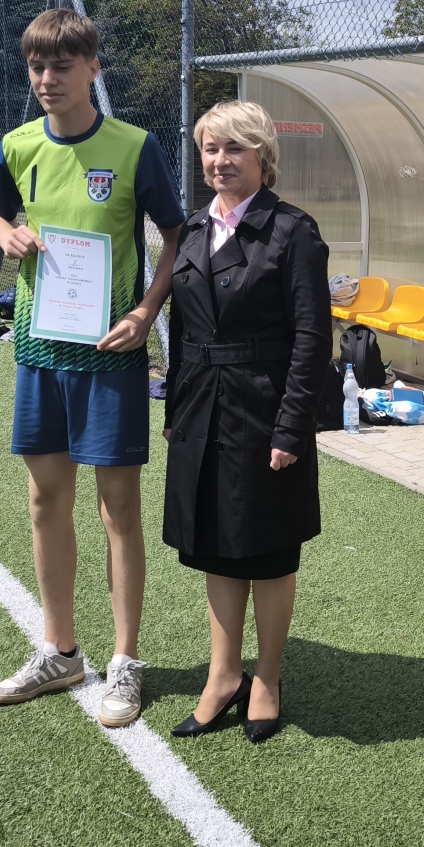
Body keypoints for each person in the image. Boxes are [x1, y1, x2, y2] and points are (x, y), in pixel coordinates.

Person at [0, 8, 185, 727]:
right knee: (45, 502)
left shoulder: (134, 147)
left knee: (117, 510)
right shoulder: (17, 144)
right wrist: (5, 232)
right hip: (40, 351)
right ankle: (60, 650)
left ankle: (126, 660)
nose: (47, 79)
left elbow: (176, 235)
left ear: (93, 68)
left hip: (109, 358)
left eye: (62, 66)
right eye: (37, 66)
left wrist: (147, 313)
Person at [163, 100, 328, 744]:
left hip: (264, 409)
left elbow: (313, 339)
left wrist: (291, 428)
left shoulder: (293, 231)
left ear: (264, 156)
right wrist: (176, 410)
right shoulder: (192, 229)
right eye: (211, 148)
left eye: (235, 148)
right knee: (217, 547)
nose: (220, 161)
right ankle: (223, 675)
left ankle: (268, 678)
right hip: (201, 408)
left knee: (268, 550)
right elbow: (182, 331)